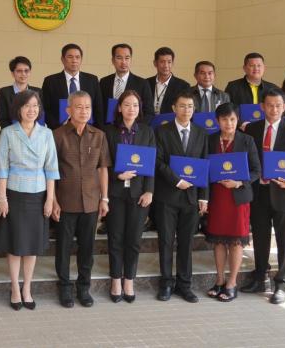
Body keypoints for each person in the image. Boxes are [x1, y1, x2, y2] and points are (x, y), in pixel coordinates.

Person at [0, 90, 59, 310]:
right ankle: (14, 287)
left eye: (35, 106)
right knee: (14, 244)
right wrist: (2, 197)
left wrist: (50, 199)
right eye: (27, 106)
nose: (32, 110)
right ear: (18, 109)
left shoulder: (46, 133)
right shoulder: (8, 132)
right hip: (14, 193)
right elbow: (2, 168)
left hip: (38, 194)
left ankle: (27, 288)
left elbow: (51, 169)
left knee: (32, 245)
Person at [241, 88, 285, 304]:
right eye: (270, 105)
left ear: (284, 107)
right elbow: (246, 160)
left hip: (284, 193)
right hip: (259, 193)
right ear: (262, 106)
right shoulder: (252, 129)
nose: (274, 109)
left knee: (284, 240)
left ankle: (282, 283)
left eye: (278, 105)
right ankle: (260, 276)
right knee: (260, 238)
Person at [52, 91, 110, 308]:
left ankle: (83, 288)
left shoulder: (99, 135)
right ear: (68, 110)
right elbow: (50, 171)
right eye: (78, 107)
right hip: (65, 202)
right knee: (63, 248)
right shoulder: (57, 135)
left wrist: (104, 198)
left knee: (87, 248)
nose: (83, 111)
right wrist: (53, 200)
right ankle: (64, 287)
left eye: (87, 107)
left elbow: (103, 169)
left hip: (91, 202)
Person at [154, 91, 209, 304]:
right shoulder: (162, 131)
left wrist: (204, 197)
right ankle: (166, 283)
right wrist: (177, 181)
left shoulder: (201, 133)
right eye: (183, 106)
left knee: (186, 243)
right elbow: (158, 162)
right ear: (174, 108)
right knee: (166, 241)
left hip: (191, 198)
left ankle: (184, 285)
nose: (187, 110)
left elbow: (205, 164)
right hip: (167, 195)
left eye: (190, 107)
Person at [205, 103, 260, 303]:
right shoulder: (210, 139)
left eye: (232, 119)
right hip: (217, 197)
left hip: (238, 198)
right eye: (224, 119)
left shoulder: (247, 140)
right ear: (217, 121)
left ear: (237, 120)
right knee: (218, 241)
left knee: (236, 241)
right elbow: (204, 167)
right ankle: (219, 280)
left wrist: (238, 182)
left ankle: (232, 283)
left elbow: (256, 170)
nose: (229, 123)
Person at [103, 90, 155, 302]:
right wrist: (117, 175)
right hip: (115, 192)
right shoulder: (108, 131)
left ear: (139, 108)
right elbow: (103, 163)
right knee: (115, 238)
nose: (131, 109)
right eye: (126, 105)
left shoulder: (147, 132)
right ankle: (116, 279)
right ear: (119, 108)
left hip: (139, 193)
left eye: (135, 105)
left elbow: (151, 163)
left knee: (134, 240)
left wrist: (149, 190)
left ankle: (129, 280)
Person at [41, 43, 103, 129]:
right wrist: (58, 129)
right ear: (62, 59)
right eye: (70, 57)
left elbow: (98, 108)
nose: (74, 60)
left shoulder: (92, 80)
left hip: (87, 130)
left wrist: (95, 130)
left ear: (81, 59)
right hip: (59, 130)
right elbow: (45, 109)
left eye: (77, 57)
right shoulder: (50, 81)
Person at [99, 43, 153, 122]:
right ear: (113, 60)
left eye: (127, 58)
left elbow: (149, 113)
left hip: (134, 128)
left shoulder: (142, 83)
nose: (123, 62)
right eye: (119, 58)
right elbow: (100, 109)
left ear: (131, 60)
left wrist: (134, 127)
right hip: (108, 128)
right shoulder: (104, 82)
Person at [0, 56, 42, 129]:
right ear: (12, 73)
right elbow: (3, 119)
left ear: (30, 72)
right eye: (19, 71)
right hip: (10, 133)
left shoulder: (38, 91)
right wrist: (17, 133)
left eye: (26, 71)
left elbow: (40, 116)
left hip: (33, 133)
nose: (23, 74)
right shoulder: (4, 92)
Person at [145, 47, 190, 118]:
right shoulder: (146, 83)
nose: (166, 66)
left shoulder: (183, 86)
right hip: (148, 123)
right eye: (162, 62)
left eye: (169, 62)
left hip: (170, 123)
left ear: (173, 63)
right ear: (155, 63)